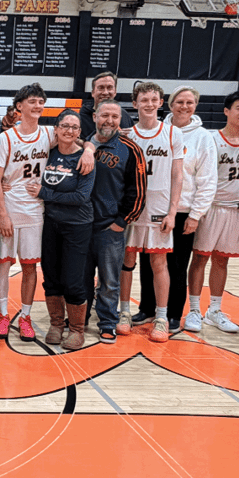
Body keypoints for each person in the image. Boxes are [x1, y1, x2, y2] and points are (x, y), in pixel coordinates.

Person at [0, 83, 94, 342]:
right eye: (32, 101)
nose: (37, 106)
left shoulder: (49, 133)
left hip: (36, 211)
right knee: (3, 263)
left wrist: (90, 149)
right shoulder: (6, 138)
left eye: (40, 102)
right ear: (19, 106)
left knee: (29, 266)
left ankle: (25, 317)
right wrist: (2, 213)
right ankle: (3, 315)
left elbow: (76, 140)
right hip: (10, 208)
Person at [134, 87, 217, 332]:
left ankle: (172, 314)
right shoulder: (157, 130)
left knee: (177, 265)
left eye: (189, 102)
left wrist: (196, 214)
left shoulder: (203, 137)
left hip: (181, 211)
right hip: (151, 208)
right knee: (149, 261)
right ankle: (148, 308)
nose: (184, 106)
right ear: (169, 105)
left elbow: (208, 179)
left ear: (196, 105)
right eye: (179, 101)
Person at [117, 81, 184, 343]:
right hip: (132, 207)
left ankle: (161, 317)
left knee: (159, 263)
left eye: (153, 99)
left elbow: (178, 175)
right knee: (127, 261)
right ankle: (124, 312)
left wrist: (173, 212)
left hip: (159, 207)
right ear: (135, 104)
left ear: (160, 103)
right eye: (143, 99)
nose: (148, 104)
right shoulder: (127, 135)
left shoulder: (172, 134)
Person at [184, 91, 239, 335]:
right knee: (200, 258)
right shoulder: (212, 139)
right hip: (211, 206)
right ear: (226, 111)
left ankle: (214, 310)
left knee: (221, 260)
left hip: (236, 209)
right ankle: (194, 309)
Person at [84, 100, 147, 343]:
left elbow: (138, 191)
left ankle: (108, 321)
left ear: (120, 120)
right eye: (104, 115)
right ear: (95, 116)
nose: (109, 121)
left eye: (115, 116)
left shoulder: (130, 148)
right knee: (81, 277)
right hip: (81, 226)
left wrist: (122, 221)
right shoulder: (82, 144)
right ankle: (80, 318)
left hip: (110, 227)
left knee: (109, 280)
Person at [37, 110, 97, 351]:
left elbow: (81, 197)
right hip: (50, 223)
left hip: (77, 225)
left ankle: (76, 330)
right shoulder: (48, 154)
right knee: (51, 276)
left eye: (74, 127)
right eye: (65, 125)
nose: (69, 130)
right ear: (56, 129)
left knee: (73, 280)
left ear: (79, 133)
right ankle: (55, 324)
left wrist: (44, 193)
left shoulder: (85, 158)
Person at [78, 71, 134, 139]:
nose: (105, 92)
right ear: (93, 93)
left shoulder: (125, 116)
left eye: (109, 87)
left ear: (115, 92)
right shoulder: (81, 118)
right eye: (101, 88)